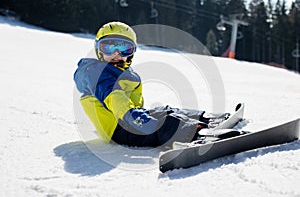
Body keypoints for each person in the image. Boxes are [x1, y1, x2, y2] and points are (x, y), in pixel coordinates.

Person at [73, 21, 228, 148]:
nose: (116, 54)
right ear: (98, 49)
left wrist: (134, 113)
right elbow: (112, 95)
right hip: (119, 129)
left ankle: (205, 118)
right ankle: (198, 135)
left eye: (124, 49)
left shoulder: (116, 71)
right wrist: (131, 114)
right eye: (108, 47)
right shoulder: (97, 73)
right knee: (166, 121)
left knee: (163, 110)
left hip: (127, 119)